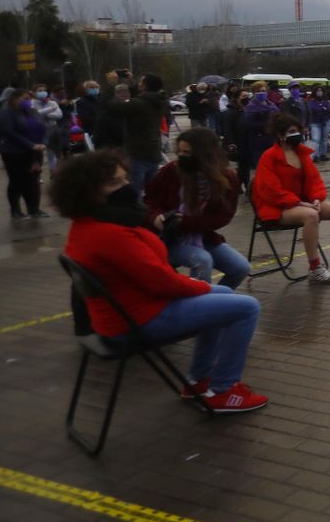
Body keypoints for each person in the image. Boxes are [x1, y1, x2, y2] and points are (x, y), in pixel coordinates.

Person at [57, 148, 269, 412]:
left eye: (125, 179)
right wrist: (201, 287)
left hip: (129, 309)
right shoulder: (109, 233)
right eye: (114, 183)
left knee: (225, 294)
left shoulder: (89, 223)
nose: (126, 186)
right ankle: (224, 390)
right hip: (139, 318)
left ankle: (199, 381)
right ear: (89, 192)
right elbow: (163, 282)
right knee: (247, 307)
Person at [252, 114, 330, 282]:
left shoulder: (302, 153)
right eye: (292, 131)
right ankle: (315, 267)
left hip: (302, 203)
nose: (298, 134)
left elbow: (314, 180)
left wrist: (317, 198)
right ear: (280, 135)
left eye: (298, 131)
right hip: (276, 207)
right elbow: (270, 190)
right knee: (310, 215)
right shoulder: (269, 157)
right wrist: (299, 202)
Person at [144, 128, 250, 288]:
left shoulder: (227, 179)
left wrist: (186, 222)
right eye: (179, 152)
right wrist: (156, 215)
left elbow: (223, 217)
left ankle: (217, 302)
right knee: (202, 261)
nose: (181, 156)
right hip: (168, 238)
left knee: (241, 268)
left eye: (187, 153)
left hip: (201, 236)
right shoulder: (172, 170)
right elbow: (149, 199)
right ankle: (200, 305)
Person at [0, 86, 50, 221]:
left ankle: (34, 209)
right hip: (13, 152)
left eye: (29, 99)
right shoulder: (6, 113)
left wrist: (42, 143)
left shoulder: (33, 112)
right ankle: (15, 210)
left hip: (34, 152)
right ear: (14, 99)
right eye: (25, 99)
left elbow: (43, 127)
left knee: (33, 181)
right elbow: (10, 133)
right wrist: (31, 145)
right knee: (17, 181)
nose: (28, 102)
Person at [102, 73, 167, 191]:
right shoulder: (158, 101)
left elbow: (110, 107)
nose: (139, 84)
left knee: (134, 192)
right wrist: (129, 81)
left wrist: (111, 85)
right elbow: (140, 96)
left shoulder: (139, 104)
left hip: (138, 153)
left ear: (146, 86)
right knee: (151, 192)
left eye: (141, 82)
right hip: (154, 151)